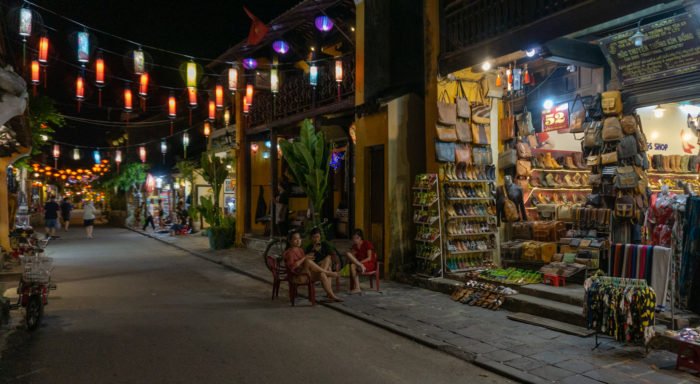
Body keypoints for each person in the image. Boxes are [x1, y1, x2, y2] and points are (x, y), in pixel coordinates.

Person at [283, 230, 342, 302]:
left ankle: (331, 295)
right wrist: (305, 258)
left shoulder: (300, 250)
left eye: (299, 238)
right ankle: (327, 273)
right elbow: (293, 267)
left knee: (322, 274)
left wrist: (311, 254)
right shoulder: (290, 252)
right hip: (298, 277)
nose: (298, 241)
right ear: (290, 241)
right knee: (311, 263)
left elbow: (308, 262)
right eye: (295, 239)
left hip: (306, 273)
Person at [345, 229, 377, 294]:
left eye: (357, 238)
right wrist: (353, 254)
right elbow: (352, 259)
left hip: (369, 264)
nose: (355, 240)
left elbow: (369, 258)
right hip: (360, 265)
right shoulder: (354, 246)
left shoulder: (367, 243)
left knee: (354, 265)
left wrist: (360, 263)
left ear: (360, 237)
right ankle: (357, 288)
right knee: (351, 262)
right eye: (353, 238)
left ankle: (360, 266)